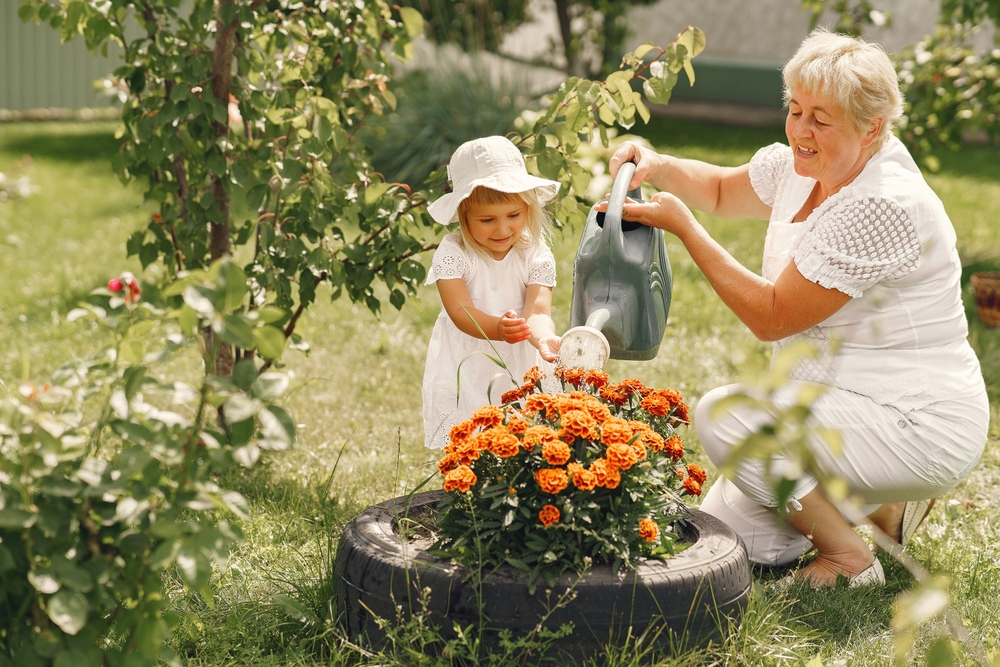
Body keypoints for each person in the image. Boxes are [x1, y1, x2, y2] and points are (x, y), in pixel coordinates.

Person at [600, 29, 990, 586]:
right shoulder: (800, 168)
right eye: (795, 109)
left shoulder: (883, 204)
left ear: (872, 127)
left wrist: (685, 229)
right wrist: (658, 164)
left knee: (726, 416)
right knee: (731, 534)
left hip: (916, 421)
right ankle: (882, 508)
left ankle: (850, 558)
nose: (800, 130)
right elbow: (716, 190)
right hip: (839, 406)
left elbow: (772, 315)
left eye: (820, 119)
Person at [422, 136, 562, 449]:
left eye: (513, 215)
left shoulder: (534, 253)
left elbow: (538, 311)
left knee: (524, 435)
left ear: (528, 207)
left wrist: (541, 338)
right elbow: (461, 312)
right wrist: (498, 328)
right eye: (487, 220)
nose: (502, 230)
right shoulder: (454, 253)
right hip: (468, 359)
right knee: (472, 436)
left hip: (521, 359)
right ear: (463, 215)